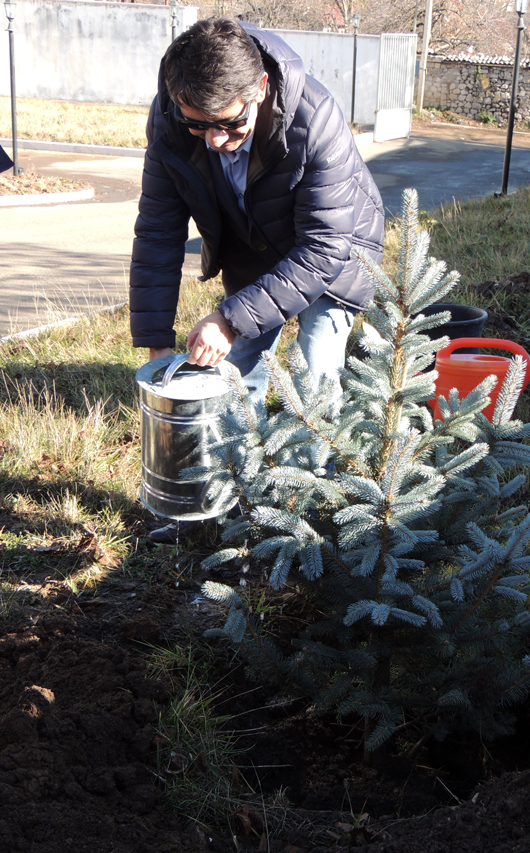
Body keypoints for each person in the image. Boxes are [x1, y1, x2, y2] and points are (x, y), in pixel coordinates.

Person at [130, 16, 384, 541]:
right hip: (254, 246)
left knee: (317, 376)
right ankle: (222, 506)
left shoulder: (315, 119)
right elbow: (157, 231)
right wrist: (155, 341)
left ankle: (316, 520)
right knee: (234, 374)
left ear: (261, 88)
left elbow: (322, 248)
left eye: (230, 123)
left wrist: (227, 317)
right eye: (199, 125)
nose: (216, 140)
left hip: (335, 253)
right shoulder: (171, 123)